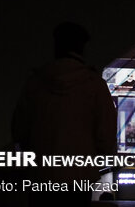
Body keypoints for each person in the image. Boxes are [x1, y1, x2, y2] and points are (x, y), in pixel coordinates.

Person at [12, 22, 117, 207]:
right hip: (79, 177)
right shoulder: (94, 85)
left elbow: (19, 130)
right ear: (82, 47)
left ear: (56, 45)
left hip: (42, 176)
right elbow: (106, 136)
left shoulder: (35, 83)